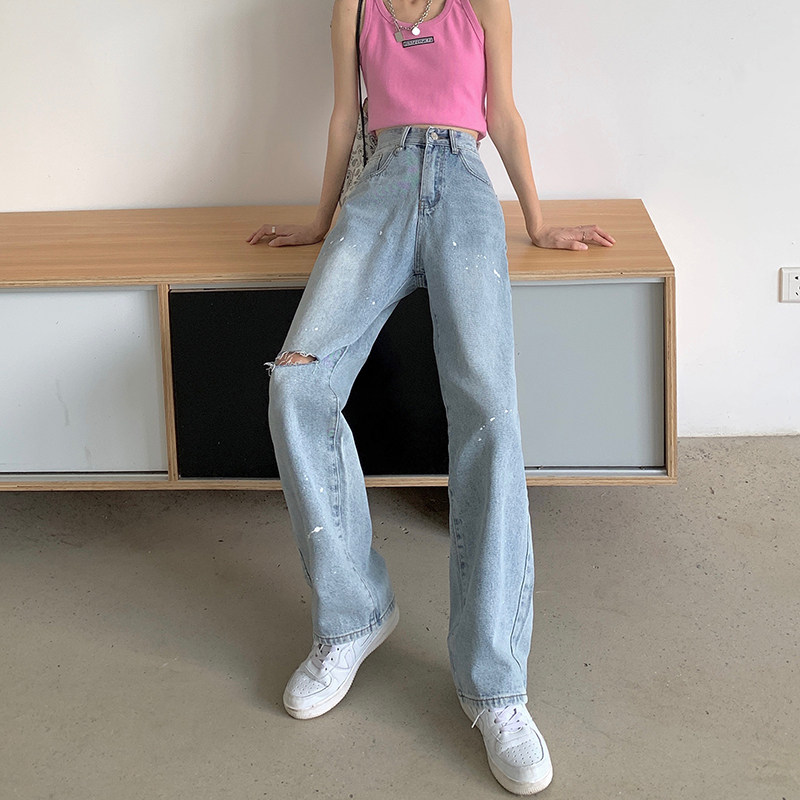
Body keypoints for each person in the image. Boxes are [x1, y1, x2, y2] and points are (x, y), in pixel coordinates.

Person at [247, 0, 615, 794]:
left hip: (464, 187)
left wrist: (538, 222)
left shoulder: (483, 4)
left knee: (491, 415)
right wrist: (319, 221)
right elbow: (345, 118)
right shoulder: (355, 6)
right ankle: (353, 615)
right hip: (378, 189)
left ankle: (496, 688)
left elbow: (502, 113)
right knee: (298, 381)